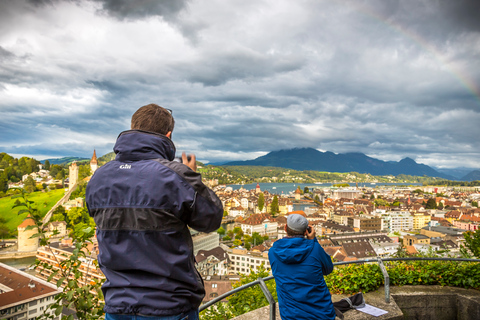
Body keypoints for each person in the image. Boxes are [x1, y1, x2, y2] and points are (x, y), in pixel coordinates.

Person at [86, 104, 224, 320]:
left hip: (117, 304)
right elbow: (211, 219)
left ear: (133, 128)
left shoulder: (99, 178)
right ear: (168, 135)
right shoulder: (175, 176)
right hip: (169, 305)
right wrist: (191, 176)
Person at [268, 214, 335, 320]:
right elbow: (328, 269)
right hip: (321, 314)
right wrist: (313, 241)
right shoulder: (315, 249)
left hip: (291, 315)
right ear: (306, 231)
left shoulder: (273, 252)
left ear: (285, 228)